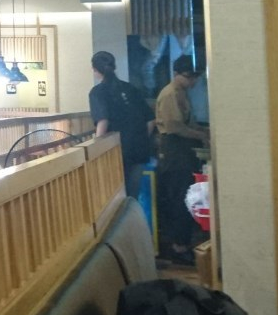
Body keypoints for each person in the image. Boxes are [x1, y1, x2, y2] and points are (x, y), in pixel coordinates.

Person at [155, 55, 210, 265]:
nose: (192, 81)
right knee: (180, 197)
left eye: (195, 77)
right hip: (174, 149)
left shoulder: (181, 92)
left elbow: (189, 123)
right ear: (176, 73)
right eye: (189, 77)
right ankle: (178, 247)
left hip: (182, 149)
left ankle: (183, 243)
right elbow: (174, 127)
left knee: (186, 194)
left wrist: (204, 131)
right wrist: (201, 135)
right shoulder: (170, 94)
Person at [88, 51, 155, 198]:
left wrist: (97, 148)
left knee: (115, 199)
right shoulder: (131, 88)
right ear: (114, 66)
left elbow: (103, 121)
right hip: (139, 150)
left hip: (115, 153)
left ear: (94, 69)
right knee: (132, 197)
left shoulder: (97, 92)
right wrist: (141, 138)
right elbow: (150, 120)